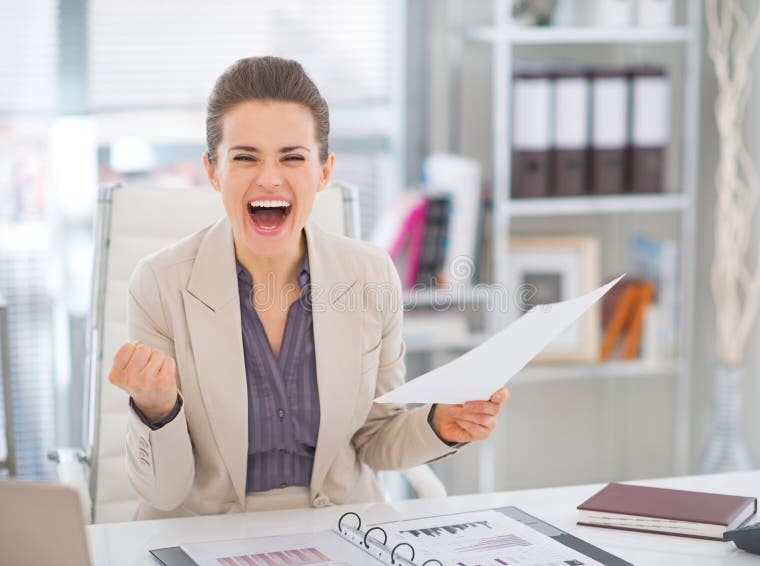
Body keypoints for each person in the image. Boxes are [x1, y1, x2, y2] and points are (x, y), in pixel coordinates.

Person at [108, 56, 510, 520]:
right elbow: (163, 493)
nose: (270, 177)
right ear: (213, 170)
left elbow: (375, 441)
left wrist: (441, 423)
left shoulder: (370, 276)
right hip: (208, 536)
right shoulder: (160, 283)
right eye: (245, 157)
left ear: (324, 171)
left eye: (292, 157)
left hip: (343, 529)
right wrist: (156, 407)